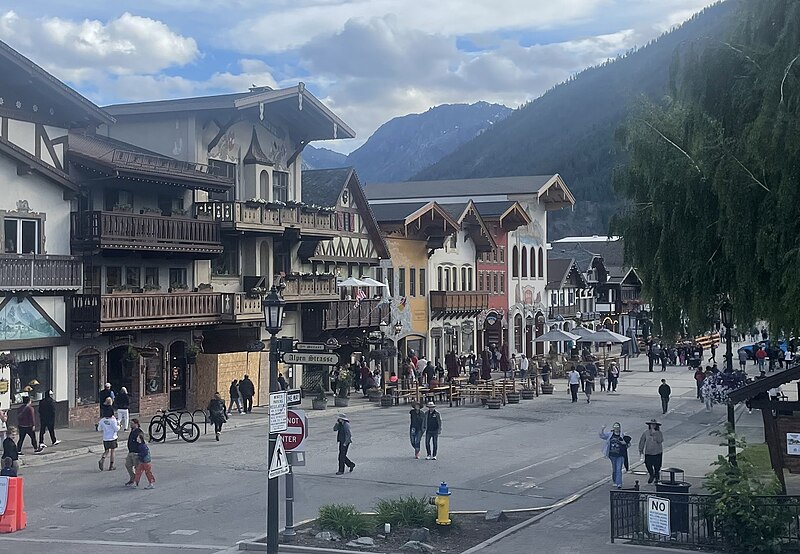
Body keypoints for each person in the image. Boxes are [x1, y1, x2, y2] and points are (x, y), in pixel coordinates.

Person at [600, 423, 627, 488]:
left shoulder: (622, 435)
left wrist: (624, 443)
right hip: (612, 455)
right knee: (614, 469)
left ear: (620, 428)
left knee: (619, 469)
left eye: (617, 427)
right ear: (613, 428)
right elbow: (602, 436)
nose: (616, 428)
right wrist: (602, 429)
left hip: (620, 455)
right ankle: (615, 481)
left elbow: (628, 444)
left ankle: (619, 483)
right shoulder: (610, 434)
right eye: (615, 427)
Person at [638, 419, 664, 484]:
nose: (652, 426)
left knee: (657, 466)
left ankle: (657, 477)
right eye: (651, 424)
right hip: (648, 452)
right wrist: (641, 450)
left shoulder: (659, 433)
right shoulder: (646, 432)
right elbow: (642, 441)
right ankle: (651, 475)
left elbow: (660, 440)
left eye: (654, 425)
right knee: (648, 464)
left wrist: (655, 434)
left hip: (657, 452)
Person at [124, 419, 144, 486]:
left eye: (132, 423)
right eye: (130, 423)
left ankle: (136, 480)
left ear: (136, 424)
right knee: (128, 465)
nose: (131, 425)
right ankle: (133, 477)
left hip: (136, 452)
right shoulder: (132, 431)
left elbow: (142, 443)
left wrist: (140, 453)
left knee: (137, 467)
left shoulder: (139, 432)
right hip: (130, 452)